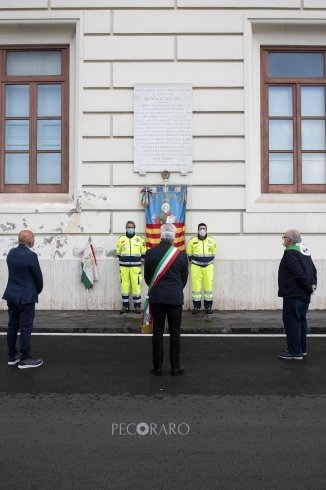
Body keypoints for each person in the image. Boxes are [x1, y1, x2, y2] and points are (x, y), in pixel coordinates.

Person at [144, 223, 188, 376]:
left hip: (157, 298)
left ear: (161, 236)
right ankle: (175, 367)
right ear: (173, 237)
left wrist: (157, 288)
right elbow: (184, 279)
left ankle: (157, 368)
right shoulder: (181, 255)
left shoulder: (150, 253)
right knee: (175, 332)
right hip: (175, 298)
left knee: (157, 331)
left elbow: (147, 278)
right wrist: (174, 289)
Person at [2, 230, 43, 369]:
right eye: (33, 238)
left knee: (12, 326)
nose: (34, 240)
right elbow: (38, 278)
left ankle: (12, 356)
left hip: (11, 295)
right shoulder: (31, 256)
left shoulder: (11, 253)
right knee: (25, 328)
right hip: (26, 297)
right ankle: (25, 359)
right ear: (29, 241)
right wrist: (35, 291)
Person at [278, 229, 317, 360]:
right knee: (301, 321)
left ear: (289, 240)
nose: (283, 240)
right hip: (305, 293)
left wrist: (307, 286)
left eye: (284, 237)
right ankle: (301, 349)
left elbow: (298, 274)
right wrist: (311, 287)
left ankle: (294, 352)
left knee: (292, 321)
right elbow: (313, 270)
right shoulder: (304, 251)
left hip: (293, 294)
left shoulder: (291, 253)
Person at [116, 220, 146, 314]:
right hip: (124, 268)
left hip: (135, 268)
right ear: (126, 228)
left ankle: (137, 307)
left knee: (136, 287)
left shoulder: (140, 239)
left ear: (134, 228)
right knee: (124, 287)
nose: (130, 229)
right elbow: (118, 253)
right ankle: (125, 307)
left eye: (132, 227)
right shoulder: (121, 239)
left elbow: (144, 254)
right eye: (128, 227)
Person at [187, 223, 216, 314]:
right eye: (200, 228)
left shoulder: (212, 241)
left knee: (208, 288)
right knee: (196, 288)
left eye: (204, 228)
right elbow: (189, 255)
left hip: (208, 267)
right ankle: (196, 307)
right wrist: (196, 262)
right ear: (198, 230)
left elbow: (213, 254)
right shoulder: (192, 241)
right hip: (196, 267)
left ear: (206, 230)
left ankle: (208, 307)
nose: (202, 230)